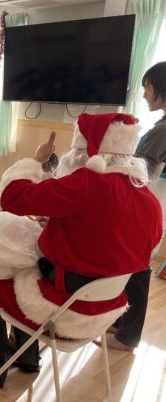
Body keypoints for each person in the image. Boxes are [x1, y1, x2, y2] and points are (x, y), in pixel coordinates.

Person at [0, 113, 162, 388]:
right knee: (26, 270)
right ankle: (26, 357)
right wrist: (59, 224)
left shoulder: (87, 182)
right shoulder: (148, 198)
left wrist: (36, 160)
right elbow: (116, 240)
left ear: (85, 153)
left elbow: (12, 197)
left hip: (63, 313)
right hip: (106, 313)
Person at [106, 62, 166, 351]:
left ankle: (127, 336)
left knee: (137, 269)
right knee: (131, 265)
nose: (144, 94)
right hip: (151, 206)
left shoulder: (162, 130)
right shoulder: (161, 126)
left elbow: (139, 170)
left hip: (146, 206)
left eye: (148, 87)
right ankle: (121, 324)